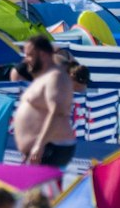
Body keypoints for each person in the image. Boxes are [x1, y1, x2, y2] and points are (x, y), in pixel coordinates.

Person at [13, 37, 76, 167]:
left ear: (42, 55)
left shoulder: (56, 77)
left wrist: (39, 144)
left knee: (41, 187)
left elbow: (57, 112)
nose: (25, 60)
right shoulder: (45, 77)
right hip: (44, 149)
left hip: (50, 148)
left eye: (29, 55)